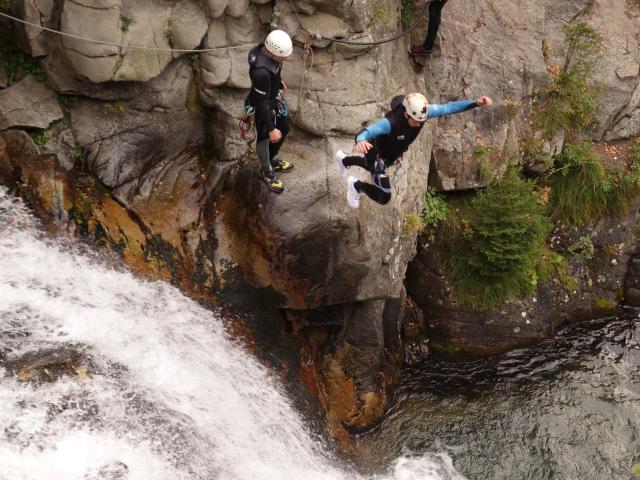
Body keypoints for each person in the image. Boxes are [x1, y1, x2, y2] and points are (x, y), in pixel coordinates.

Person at [336, 93, 493, 208]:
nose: (419, 125)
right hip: (378, 156)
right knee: (384, 196)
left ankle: (343, 160)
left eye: (421, 122)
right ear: (406, 114)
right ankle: (356, 186)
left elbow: (448, 108)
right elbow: (367, 132)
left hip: (389, 155)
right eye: (416, 122)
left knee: (367, 165)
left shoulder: (422, 112)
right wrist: (360, 140)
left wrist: (476, 102)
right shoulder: (390, 123)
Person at [247, 29, 294, 194]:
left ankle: (272, 159)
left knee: (285, 128)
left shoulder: (268, 53)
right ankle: (266, 171)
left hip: (272, 98)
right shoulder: (260, 72)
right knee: (265, 137)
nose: (286, 59)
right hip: (263, 105)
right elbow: (260, 103)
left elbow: (276, 68)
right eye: (284, 56)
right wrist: (271, 128)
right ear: (273, 53)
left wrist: (279, 82)